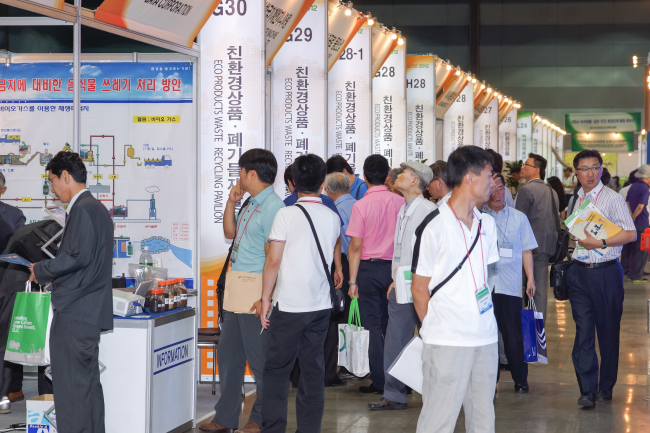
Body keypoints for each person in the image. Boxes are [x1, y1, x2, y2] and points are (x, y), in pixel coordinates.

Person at [411, 145, 499, 433]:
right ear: (471, 178)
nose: (494, 182)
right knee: (438, 421)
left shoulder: (488, 225)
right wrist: (437, 327)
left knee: (484, 420)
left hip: (485, 337)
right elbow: (419, 289)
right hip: (447, 341)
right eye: (490, 175)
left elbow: (483, 278)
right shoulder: (434, 226)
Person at [200, 149, 285, 433]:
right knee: (230, 357)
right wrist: (230, 203)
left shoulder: (273, 207)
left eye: (240, 171)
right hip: (236, 285)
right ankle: (225, 418)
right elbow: (229, 233)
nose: (238, 176)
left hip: (255, 288)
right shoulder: (249, 202)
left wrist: (266, 297)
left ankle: (259, 420)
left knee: (260, 360)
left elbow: (273, 258)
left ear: (252, 173)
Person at [28, 151, 113, 433]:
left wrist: (40, 270)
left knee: (71, 390)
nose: (52, 188)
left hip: (75, 311)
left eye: (52, 180)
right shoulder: (96, 208)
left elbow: (75, 257)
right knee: (87, 386)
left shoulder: (83, 209)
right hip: (87, 311)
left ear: (66, 176)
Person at [260, 154, 342, 433]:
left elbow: (273, 260)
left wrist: (265, 299)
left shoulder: (286, 214)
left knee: (276, 373)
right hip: (319, 307)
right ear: (323, 183)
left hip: (289, 306)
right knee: (312, 372)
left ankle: (273, 428)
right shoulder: (332, 217)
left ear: (293, 183)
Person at [566, 150, 635, 407]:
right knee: (583, 331)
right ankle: (587, 390)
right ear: (576, 172)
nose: (590, 173)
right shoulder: (577, 199)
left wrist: (601, 242)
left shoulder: (613, 199)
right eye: (584, 168)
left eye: (595, 167)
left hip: (607, 272)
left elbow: (630, 234)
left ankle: (605, 386)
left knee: (607, 332)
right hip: (580, 274)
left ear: (601, 169)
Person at [369, 162, 435, 411]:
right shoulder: (405, 208)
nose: (397, 176)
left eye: (404, 173)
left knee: (431, 339)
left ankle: (439, 391)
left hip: (421, 285)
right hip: (402, 285)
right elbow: (400, 251)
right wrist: (396, 279)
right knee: (396, 339)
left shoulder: (428, 211)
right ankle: (394, 394)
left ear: (415, 181)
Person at [346, 154, 405, 394]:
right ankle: (400, 381)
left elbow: (356, 246)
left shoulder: (360, 205)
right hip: (396, 270)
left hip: (369, 271)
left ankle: (380, 382)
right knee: (396, 327)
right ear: (388, 175)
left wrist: (352, 281)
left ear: (365, 176)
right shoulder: (401, 203)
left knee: (372, 326)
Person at [485, 174, 537, 393]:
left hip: (510, 284)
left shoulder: (518, 218)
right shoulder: (478, 217)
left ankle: (520, 380)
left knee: (513, 334)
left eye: (500, 189)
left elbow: (526, 250)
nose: (497, 193)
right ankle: (489, 380)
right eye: (492, 189)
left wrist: (530, 279)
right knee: (487, 336)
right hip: (485, 286)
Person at [515, 152, 558, 321]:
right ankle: (539, 331)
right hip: (546, 247)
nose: (522, 167)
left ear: (536, 170)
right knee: (539, 291)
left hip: (527, 249)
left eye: (526, 164)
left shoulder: (526, 190)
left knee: (519, 290)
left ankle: (521, 330)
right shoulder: (551, 191)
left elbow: (518, 222)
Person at [323, 172, 357, 386]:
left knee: (337, 317)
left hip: (341, 265)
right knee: (353, 318)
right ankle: (354, 365)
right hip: (361, 265)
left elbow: (337, 241)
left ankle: (340, 366)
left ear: (329, 190)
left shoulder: (332, 210)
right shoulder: (360, 205)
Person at [621, 164, 650, 283]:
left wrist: (630, 218)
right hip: (642, 223)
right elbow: (640, 206)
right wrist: (634, 217)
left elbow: (627, 203)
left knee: (629, 248)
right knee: (641, 250)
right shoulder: (645, 188)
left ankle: (627, 271)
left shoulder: (632, 186)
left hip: (631, 224)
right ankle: (636, 275)